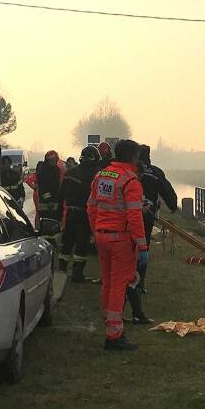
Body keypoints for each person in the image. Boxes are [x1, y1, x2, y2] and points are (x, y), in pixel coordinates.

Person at [88, 139, 146, 351]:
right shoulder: (131, 181)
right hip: (120, 238)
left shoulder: (102, 175)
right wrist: (142, 247)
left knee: (108, 282)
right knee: (119, 284)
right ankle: (114, 334)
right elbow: (134, 216)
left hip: (102, 235)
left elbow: (91, 207)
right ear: (133, 157)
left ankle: (109, 322)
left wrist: (96, 231)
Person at [124, 144, 178, 323]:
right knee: (142, 250)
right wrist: (172, 206)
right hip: (145, 216)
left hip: (124, 218)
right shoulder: (155, 172)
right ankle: (139, 285)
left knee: (128, 253)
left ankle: (130, 285)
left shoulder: (127, 171)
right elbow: (168, 191)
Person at [57, 145, 99, 279]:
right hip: (85, 214)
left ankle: (62, 269)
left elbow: (61, 195)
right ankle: (77, 273)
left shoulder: (69, 173)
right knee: (82, 243)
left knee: (67, 242)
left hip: (70, 213)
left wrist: (59, 215)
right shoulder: (95, 175)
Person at [26, 151, 65, 224]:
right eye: (52, 161)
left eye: (55, 160)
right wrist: (49, 200)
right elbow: (43, 187)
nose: (53, 162)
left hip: (55, 201)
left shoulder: (56, 169)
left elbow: (56, 186)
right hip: (46, 204)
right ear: (48, 161)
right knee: (45, 223)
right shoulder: (43, 171)